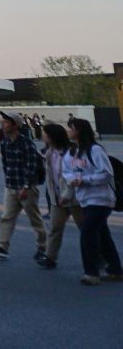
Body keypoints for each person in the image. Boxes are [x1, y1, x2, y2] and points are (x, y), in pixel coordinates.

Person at [63, 118, 122, 286]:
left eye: (71, 128)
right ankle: (115, 269)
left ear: (79, 131)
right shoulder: (71, 152)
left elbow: (106, 173)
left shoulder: (95, 150)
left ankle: (91, 272)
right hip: (85, 199)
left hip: (101, 199)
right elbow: (66, 171)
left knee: (87, 233)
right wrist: (73, 180)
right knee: (102, 233)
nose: (68, 131)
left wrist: (85, 180)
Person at [0, 110, 46, 260]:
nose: (3, 125)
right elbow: (5, 164)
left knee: (35, 219)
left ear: (15, 125)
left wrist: (26, 186)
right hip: (11, 186)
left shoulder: (26, 143)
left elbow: (31, 166)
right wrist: (9, 183)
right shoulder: (4, 143)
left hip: (26, 188)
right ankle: (2, 246)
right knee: (6, 217)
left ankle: (43, 247)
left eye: (6, 122)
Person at [37, 122, 81, 269]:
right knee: (55, 228)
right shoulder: (49, 152)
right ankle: (50, 257)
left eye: (45, 133)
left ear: (52, 136)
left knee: (86, 228)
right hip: (57, 198)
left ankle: (100, 256)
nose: (43, 135)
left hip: (74, 199)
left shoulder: (72, 151)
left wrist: (67, 194)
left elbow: (75, 174)